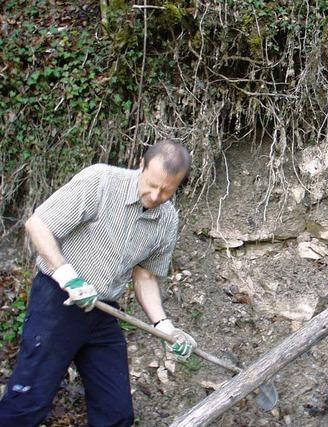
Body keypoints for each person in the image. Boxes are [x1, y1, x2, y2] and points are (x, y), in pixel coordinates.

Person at [0, 141, 197, 426]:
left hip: (103, 312)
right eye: (152, 184)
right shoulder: (101, 182)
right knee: (27, 403)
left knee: (116, 413)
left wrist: (164, 326)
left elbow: (145, 276)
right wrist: (68, 276)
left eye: (167, 190)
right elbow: (38, 225)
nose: (155, 195)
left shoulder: (167, 220)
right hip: (57, 302)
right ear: (141, 166)